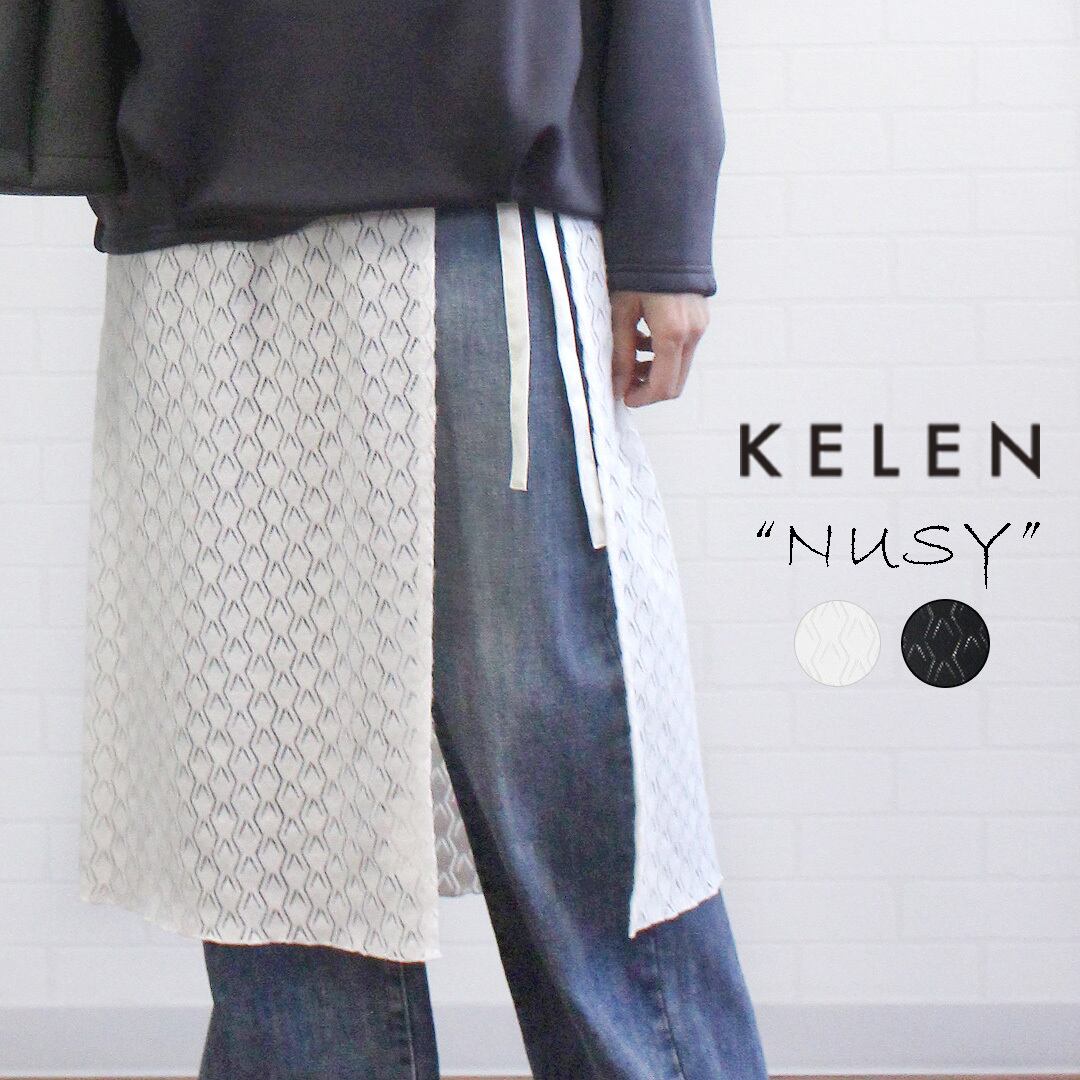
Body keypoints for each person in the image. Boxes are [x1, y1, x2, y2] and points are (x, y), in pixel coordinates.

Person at [4, 0, 771, 1076]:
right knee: (267, 807)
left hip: (473, 206)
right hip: (200, 212)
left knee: (571, 765)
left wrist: (667, 218)